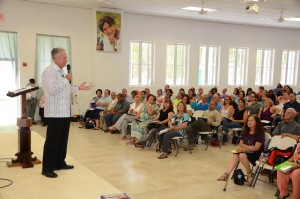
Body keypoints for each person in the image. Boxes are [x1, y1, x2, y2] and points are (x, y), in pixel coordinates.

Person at [41, 48, 91, 178]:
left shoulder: (62, 72)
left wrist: (78, 87)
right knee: (52, 141)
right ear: (55, 58)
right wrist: (66, 79)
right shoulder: (49, 71)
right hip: (54, 112)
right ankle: (47, 168)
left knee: (62, 140)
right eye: (64, 58)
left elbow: (65, 90)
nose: (66, 60)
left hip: (64, 112)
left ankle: (59, 163)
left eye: (66, 57)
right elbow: (51, 89)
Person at [217, 115, 265, 186]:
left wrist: (245, 148)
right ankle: (226, 174)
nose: (249, 122)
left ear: (256, 123)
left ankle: (249, 173)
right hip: (246, 151)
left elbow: (256, 148)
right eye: (248, 120)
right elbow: (240, 144)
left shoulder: (260, 133)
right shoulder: (245, 131)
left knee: (241, 154)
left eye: (251, 120)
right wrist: (248, 148)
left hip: (255, 154)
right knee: (236, 154)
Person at [276, 133, 300, 199]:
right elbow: (297, 137)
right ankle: (284, 193)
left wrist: (296, 164)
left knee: (295, 174)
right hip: (296, 160)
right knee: (281, 168)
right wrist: (287, 134)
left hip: (298, 163)